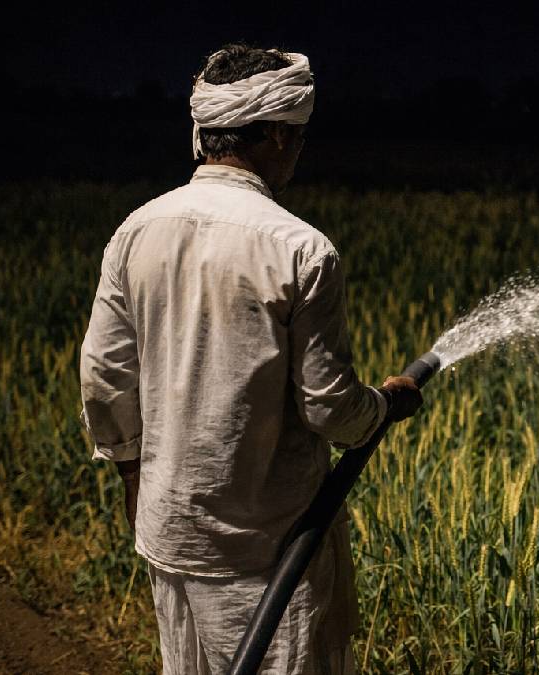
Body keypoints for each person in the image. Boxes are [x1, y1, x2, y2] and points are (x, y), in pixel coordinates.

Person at [78, 44, 422, 674]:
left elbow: (103, 378)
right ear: (273, 136)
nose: (298, 149)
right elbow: (329, 408)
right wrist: (386, 405)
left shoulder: (135, 230)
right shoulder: (302, 251)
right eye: (296, 135)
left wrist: (134, 478)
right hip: (272, 545)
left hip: (171, 530)